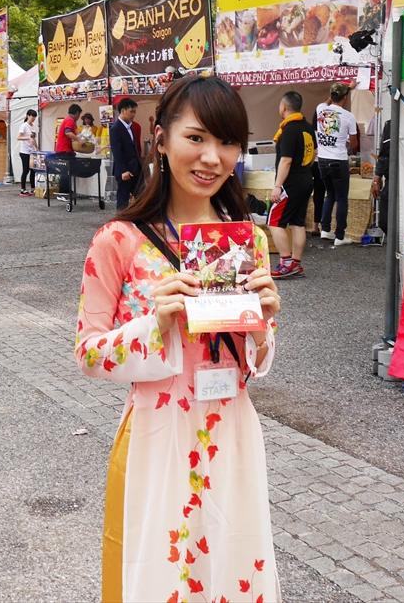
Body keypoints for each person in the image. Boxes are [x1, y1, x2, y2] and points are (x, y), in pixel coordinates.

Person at [75, 75, 282, 603]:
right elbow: (89, 353)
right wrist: (155, 324)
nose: (212, 157)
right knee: (158, 577)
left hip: (232, 433)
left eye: (227, 142)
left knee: (233, 572)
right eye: (196, 138)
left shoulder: (247, 241)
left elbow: (254, 361)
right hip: (156, 435)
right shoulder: (118, 241)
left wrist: (262, 324)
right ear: (162, 140)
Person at [268, 91, 316, 279]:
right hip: (306, 178)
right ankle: (296, 263)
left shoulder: (289, 130)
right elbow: (313, 153)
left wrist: (277, 186)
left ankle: (286, 263)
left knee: (274, 222)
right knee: (297, 222)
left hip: (290, 183)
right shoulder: (307, 127)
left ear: (284, 107)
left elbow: (285, 160)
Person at [314, 83, 359, 246]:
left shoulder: (320, 109)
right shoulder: (348, 116)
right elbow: (354, 144)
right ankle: (340, 236)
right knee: (341, 198)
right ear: (345, 98)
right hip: (338, 160)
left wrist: (344, 90)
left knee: (330, 194)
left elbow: (327, 102)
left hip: (322, 160)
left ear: (331, 95)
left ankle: (325, 229)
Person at [109, 98, 143, 210]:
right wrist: (123, 170)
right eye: (131, 111)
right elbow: (117, 152)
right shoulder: (115, 128)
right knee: (123, 198)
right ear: (123, 111)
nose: (133, 114)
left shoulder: (132, 126)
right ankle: (121, 218)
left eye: (135, 112)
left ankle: (139, 217)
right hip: (124, 170)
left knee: (142, 196)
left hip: (136, 168)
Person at [53, 103, 81, 196]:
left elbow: (74, 132)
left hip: (65, 149)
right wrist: (79, 140)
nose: (79, 117)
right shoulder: (70, 120)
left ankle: (66, 190)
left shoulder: (69, 120)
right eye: (79, 115)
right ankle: (63, 192)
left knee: (66, 171)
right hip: (64, 150)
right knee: (65, 171)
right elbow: (68, 132)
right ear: (76, 113)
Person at [371, 119, 391, 234]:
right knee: (384, 221)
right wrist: (377, 178)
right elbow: (384, 155)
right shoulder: (390, 125)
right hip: (392, 179)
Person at [17, 109, 38, 196]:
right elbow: (18, 137)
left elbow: (33, 138)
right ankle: (23, 189)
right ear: (28, 116)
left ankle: (33, 188)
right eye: (32, 116)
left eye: (35, 117)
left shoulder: (33, 126)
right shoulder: (24, 125)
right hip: (24, 152)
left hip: (32, 152)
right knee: (26, 170)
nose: (33, 118)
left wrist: (37, 148)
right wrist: (28, 137)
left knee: (33, 170)